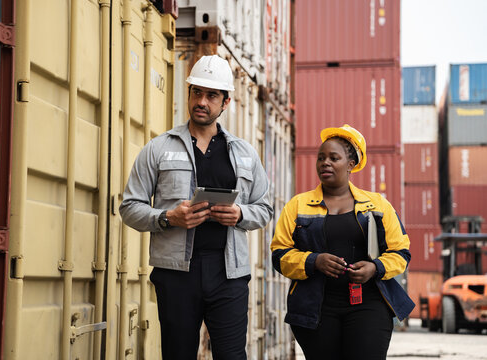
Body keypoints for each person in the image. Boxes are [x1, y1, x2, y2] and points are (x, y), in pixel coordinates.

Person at [119, 54, 273, 360]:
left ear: (225, 102)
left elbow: (265, 208)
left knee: (232, 356)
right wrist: (167, 218)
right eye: (196, 92)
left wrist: (240, 214)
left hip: (229, 274)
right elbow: (129, 207)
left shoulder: (244, 153)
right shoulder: (159, 148)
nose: (202, 101)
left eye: (211, 95)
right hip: (176, 274)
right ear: (189, 94)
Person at [271, 124, 415, 360]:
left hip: (369, 304)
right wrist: (314, 261)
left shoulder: (377, 205)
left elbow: (401, 253)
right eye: (321, 158)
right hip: (316, 309)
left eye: (333, 158)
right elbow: (279, 256)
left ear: (351, 164)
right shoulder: (298, 206)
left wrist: (375, 268)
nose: (325, 163)